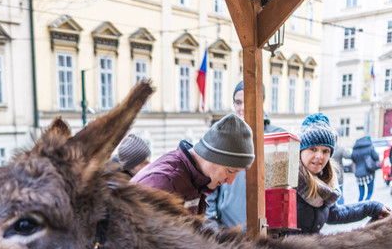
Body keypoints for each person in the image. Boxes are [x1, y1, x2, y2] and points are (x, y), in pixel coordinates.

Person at [131, 113, 254, 215]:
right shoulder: (163, 182)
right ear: (211, 156)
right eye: (230, 171)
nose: (231, 181)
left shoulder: (197, 179)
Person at [205, 80, 286, 229]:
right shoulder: (223, 137)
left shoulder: (277, 138)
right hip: (229, 236)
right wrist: (214, 233)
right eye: (238, 102)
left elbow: (284, 190)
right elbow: (209, 190)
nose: (242, 108)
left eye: (247, 102)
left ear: (260, 102)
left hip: (265, 234)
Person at [295, 113, 390, 234]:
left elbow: (335, 214)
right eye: (313, 149)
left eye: (325, 151)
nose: (319, 156)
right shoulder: (288, 180)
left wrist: (372, 207)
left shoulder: (324, 182)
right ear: (300, 150)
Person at [351, 135, 380, 201]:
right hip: (368, 172)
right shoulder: (370, 146)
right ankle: (366, 206)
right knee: (369, 193)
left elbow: (353, 159)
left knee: (361, 194)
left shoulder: (355, 148)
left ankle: (359, 207)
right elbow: (376, 157)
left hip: (358, 173)